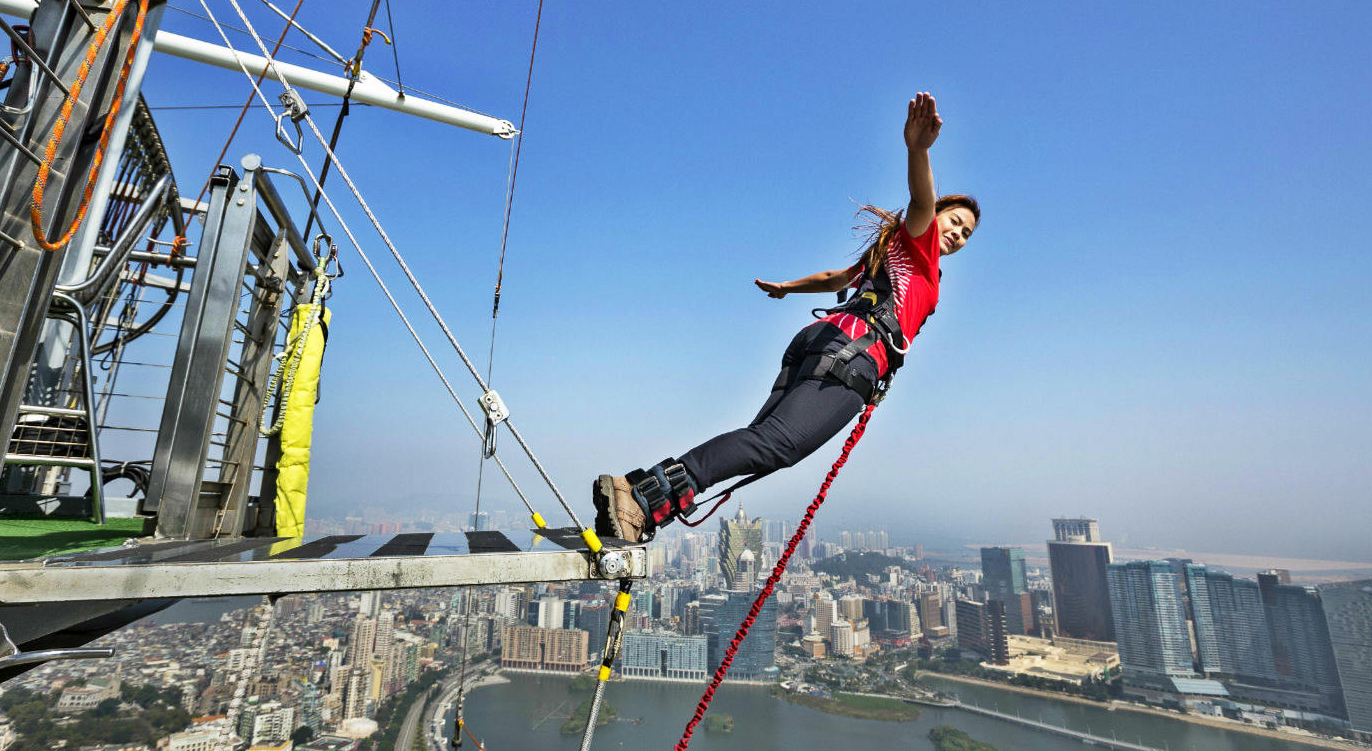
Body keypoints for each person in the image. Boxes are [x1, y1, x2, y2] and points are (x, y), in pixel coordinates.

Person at [594, 92, 980, 543]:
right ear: (937, 217)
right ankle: (641, 495)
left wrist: (788, 287)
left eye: (967, 234)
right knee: (777, 444)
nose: (956, 233)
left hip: (820, 344)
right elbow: (920, 200)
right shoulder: (921, 251)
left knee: (761, 440)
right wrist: (919, 150)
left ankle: (649, 504)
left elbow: (836, 276)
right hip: (851, 357)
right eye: (953, 221)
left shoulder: (889, 253)